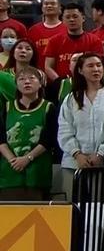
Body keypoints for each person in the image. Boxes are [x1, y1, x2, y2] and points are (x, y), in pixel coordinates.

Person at [57, 53, 104, 201]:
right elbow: (64, 130)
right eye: (90, 66)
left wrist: (101, 154)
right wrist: (77, 154)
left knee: (98, 207)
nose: (96, 69)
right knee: (71, 207)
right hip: (73, 163)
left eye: (99, 65)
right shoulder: (71, 98)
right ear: (80, 70)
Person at [0, 67, 57, 201]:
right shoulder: (7, 107)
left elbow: (48, 139)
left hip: (37, 172)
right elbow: (1, 138)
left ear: (40, 83)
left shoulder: (48, 107)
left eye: (31, 78)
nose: (27, 82)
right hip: (9, 173)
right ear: (16, 84)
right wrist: (12, 160)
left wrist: (27, 158)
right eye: (22, 79)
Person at [44, 2, 103, 81]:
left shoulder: (95, 41)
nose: (71, 20)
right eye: (67, 17)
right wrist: (59, 81)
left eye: (75, 16)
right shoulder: (54, 41)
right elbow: (48, 67)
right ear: (63, 20)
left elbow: (98, 66)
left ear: (83, 18)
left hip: (87, 83)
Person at [28, 0, 66, 70]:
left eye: (53, 4)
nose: (49, 6)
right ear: (42, 8)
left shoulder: (67, 29)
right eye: (46, 4)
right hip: (38, 73)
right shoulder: (33, 30)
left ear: (60, 9)